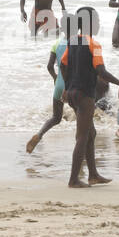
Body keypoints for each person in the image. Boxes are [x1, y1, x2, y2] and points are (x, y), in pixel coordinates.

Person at [60, 8, 119, 187]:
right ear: (90, 24)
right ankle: (73, 179)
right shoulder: (94, 45)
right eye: (96, 21)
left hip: (73, 93)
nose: (98, 24)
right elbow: (101, 71)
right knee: (82, 137)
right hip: (85, 95)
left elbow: (62, 64)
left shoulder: (72, 42)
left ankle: (93, 175)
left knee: (91, 133)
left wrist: (66, 87)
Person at [26, 19, 70, 154]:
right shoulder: (77, 44)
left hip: (58, 85)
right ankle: (82, 146)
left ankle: (39, 134)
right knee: (83, 118)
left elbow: (50, 66)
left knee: (56, 117)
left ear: (62, 30)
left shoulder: (56, 43)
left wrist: (56, 78)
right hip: (71, 85)